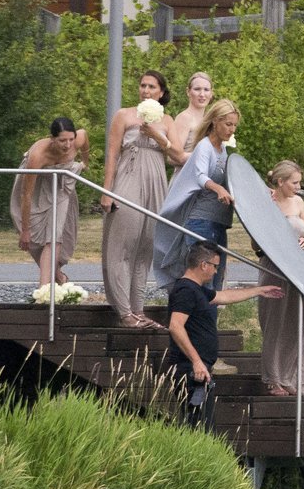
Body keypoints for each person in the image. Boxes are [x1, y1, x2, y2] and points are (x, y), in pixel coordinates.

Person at [100, 70, 188, 329]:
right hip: (129, 179)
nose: (146, 90)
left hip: (156, 182)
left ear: (161, 92)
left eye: (152, 87)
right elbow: (112, 154)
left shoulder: (168, 119)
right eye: (143, 86)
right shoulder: (124, 115)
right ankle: (124, 311)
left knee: (146, 248)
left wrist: (156, 135)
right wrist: (107, 190)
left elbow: (178, 154)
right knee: (123, 246)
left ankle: (138, 310)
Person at [164, 241, 283, 428]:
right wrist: (196, 362)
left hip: (200, 370)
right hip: (190, 370)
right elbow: (176, 326)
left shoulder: (198, 290)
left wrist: (260, 290)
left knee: (205, 425)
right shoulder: (185, 290)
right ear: (204, 265)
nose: (216, 271)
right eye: (215, 266)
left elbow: (224, 296)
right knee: (197, 426)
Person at [154, 98, 240, 294]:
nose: (232, 129)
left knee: (216, 283)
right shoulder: (204, 147)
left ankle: (207, 324)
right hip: (201, 223)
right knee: (203, 283)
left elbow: (233, 180)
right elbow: (200, 175)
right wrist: (217, 189)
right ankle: (189, 322)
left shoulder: (223, 150)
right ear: (214, 122)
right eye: (228, 124)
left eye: (234, 125)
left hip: (219, 223)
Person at [254, 160, 304, 396]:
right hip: (276, 267)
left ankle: (297, 377)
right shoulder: (266, 202)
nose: (298, 186)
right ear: (281, 182)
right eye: (294, 182)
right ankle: (275, 379)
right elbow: (257, 241)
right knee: (277, 322)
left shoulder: (299, 201)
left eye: (299, 182)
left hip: (301, 267)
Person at [10, 117, 90, 286]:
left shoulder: (78, 139)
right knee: (34, 240)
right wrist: (25, 230)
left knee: (54, 236)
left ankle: (44, 291)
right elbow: (27, 195)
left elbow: (84, 139)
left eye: (70, 139)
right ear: (52, 138)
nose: (67, 145)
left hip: (61, 187)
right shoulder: (38, 156)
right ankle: (57, 276)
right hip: (37, 186)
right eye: (62, 141)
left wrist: (85, 162)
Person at [169, 71, 213, 183]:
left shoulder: (209, 121)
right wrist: (205, 157)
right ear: (188, 92)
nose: (202, 94)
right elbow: (172, 157)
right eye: (197, 89)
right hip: (185, 180)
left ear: (211, 93)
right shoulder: (184, 118)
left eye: (206, 90)